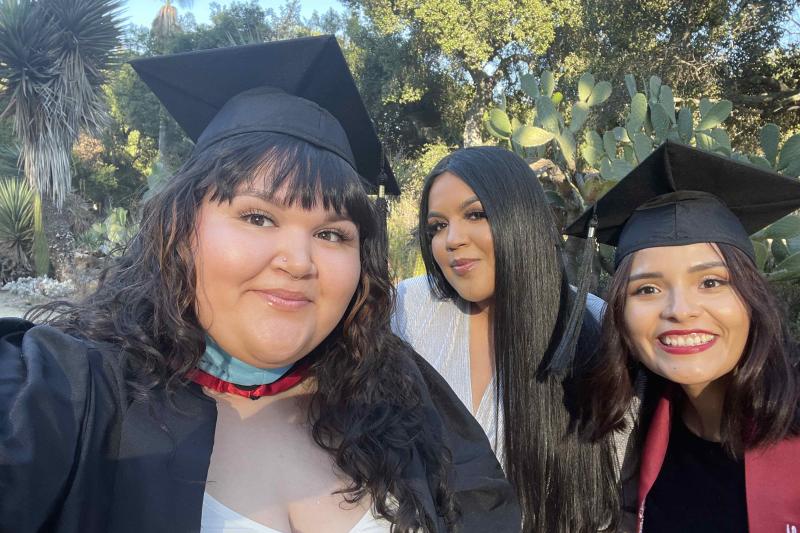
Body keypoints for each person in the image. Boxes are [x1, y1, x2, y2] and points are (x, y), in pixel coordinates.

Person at [0, 37, 519, 533]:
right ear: (179, 230)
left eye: (332, 233)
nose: (298, 261)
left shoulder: (394, 390)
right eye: (258, 217)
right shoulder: (72, 393)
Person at [567, 140, 800, 533]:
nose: (680, 309)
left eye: (710, 282)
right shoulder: (626, 435)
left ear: (752, 297)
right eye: (647, 289)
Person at [392, 146, 621, 533]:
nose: (451, 240)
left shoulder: (590, 326)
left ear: (523, 217)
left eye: (475, 214)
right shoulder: (409, 310)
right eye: (437, 226)